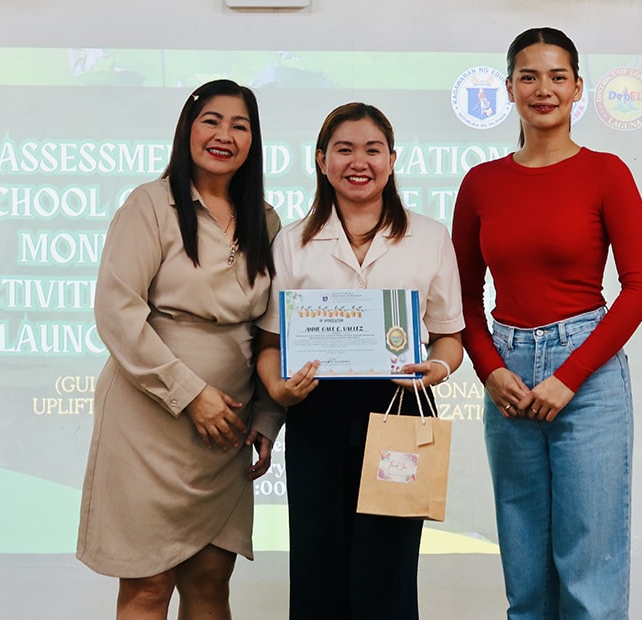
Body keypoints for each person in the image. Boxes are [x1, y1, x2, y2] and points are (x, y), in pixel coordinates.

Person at [451, 28, 642, 620]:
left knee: (589, 571)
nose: (544, 89)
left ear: (578, 89)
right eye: (529, 76)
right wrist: (490, 370)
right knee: (524, 573)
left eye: (557, 77)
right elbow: (463, 294)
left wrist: (568, 376)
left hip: (587, 376)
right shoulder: (481, 183)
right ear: (510, 88)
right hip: (508, 375)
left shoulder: (606, 172)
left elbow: (641, 288)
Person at [76, 79, 282, 620]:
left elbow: (271, 331)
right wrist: (191, 395)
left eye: (240, 125)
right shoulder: (150, 204)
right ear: (187, 129)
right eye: (211, 120)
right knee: (149, 584)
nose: (224, 135)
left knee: (213, 577)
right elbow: (117, 313)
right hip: (150, 419)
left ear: (254, 141)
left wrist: (266, 414)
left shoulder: (266, 219)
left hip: (228, 426)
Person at [256, 102, 464, 620]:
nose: (359, 162)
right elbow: (268, 346)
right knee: (317, 567)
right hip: (316, 411)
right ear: (322, 160)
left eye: (373, 150)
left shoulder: (431, 237)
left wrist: (437, 369)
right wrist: (278, 391)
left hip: (401, 408)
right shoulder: (292, 242)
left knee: (387, 573)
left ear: (392, 159)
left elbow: (449, 339)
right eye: (344, 149)